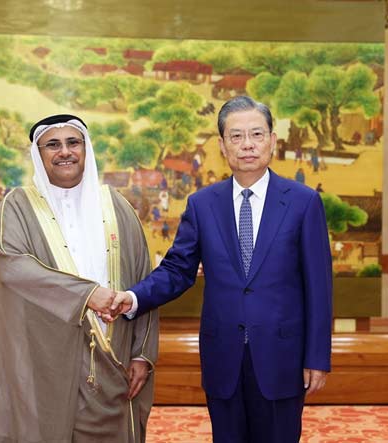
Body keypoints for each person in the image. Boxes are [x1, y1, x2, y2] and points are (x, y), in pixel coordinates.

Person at [110, 96, 332, 443]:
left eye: (257, 134)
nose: (247, 144)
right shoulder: (202, 204)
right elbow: (177, 270)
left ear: (272, 140)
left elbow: (319, 287)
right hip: (223, 356)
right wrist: (133, 298)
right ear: (222, 145)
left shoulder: (303, 202)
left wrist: (317, 357)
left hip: (282, 357)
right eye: (236, 136)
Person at [0, 114, 159, 443]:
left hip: (114, 355)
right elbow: (13, 266)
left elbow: (142, 279)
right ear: (38, 154)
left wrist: (142, 353)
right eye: (53, 144)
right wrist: (87, 295)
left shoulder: (117, 206)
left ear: (85, 148)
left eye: (73, 142)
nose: (64, 152)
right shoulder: (17, 207)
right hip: (43, 359)